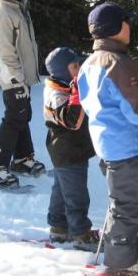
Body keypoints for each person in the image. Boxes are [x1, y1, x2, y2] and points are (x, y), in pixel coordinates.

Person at [77, 1, 138, 274]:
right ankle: (122, 260)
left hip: (107, 143)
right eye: (126, 20)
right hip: (125, 146)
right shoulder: (118, 64)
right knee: (128, 203)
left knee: (120, 200)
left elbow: (90, 105)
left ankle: (121, 248)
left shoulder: (90, 62)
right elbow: (137, 111)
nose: (130, 25)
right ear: (114, 27)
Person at [0, 0, 45, 187]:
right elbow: (4, 51)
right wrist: (15, 78)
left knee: (22, 114)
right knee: (14, 117)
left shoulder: (18, 8)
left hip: (22, 77)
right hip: (13, 78)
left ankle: (21, 158)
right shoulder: (3, 13)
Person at [43, 46, 99, 250]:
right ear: (62, 71)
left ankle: (58, 227)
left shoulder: (65, 87)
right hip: (67, 151)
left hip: (70, 149)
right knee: (76, 194)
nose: (79, 69)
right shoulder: (55, 94)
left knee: (61, 189)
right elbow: (72, 120)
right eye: (75, 66)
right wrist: (78, 93)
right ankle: (81, 233)